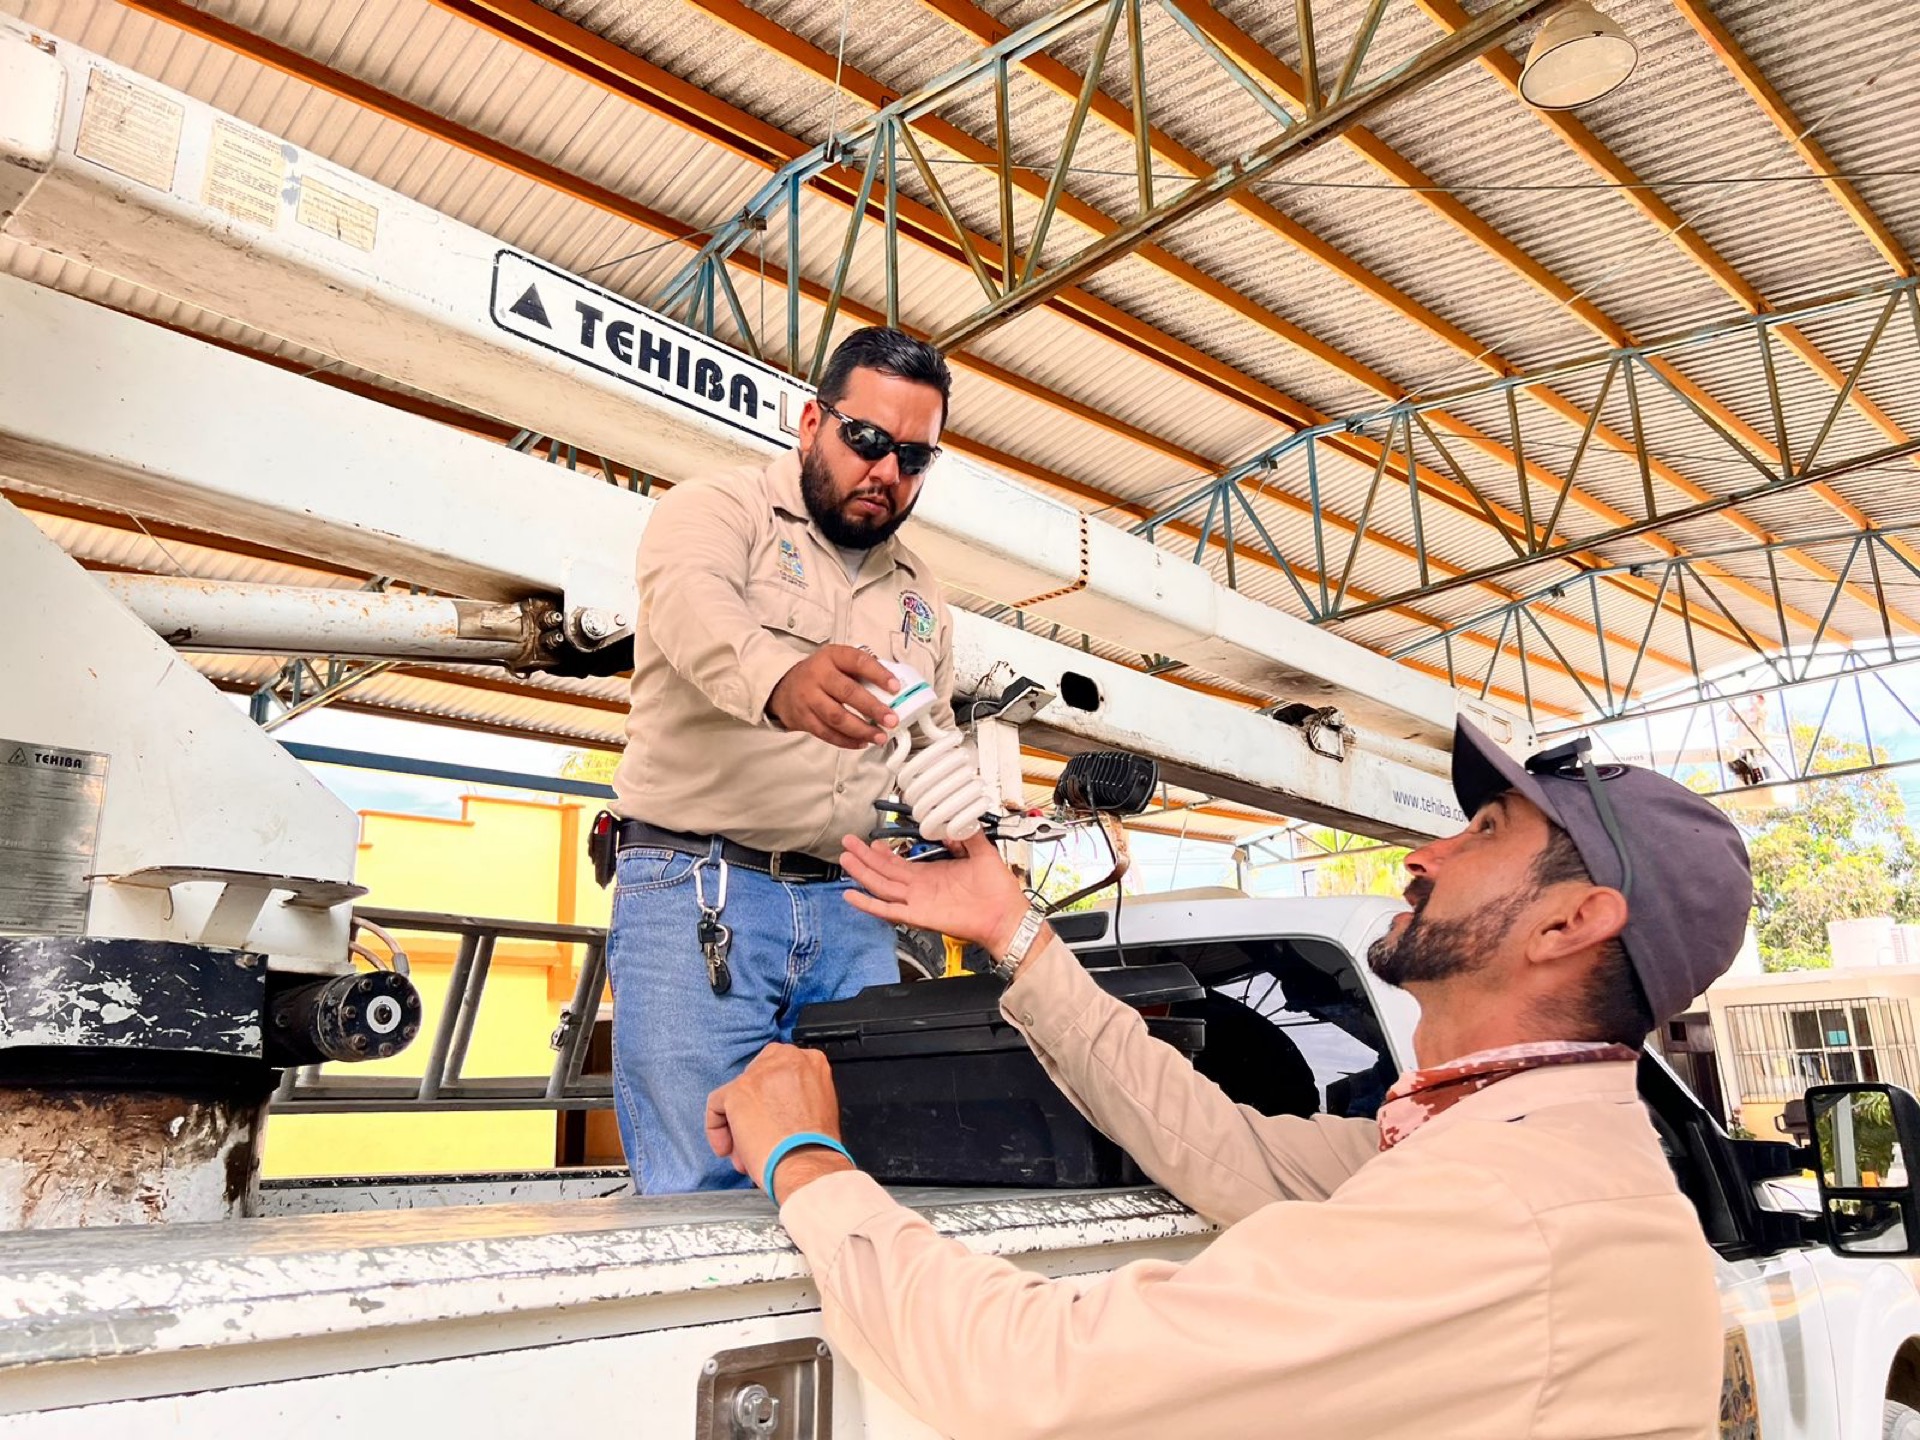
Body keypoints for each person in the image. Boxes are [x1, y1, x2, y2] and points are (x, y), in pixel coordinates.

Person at [703, 720, 1753, 1439]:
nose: (1422, 856)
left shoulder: (1504, 1207)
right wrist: (1013, 932)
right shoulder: (1508, 1151)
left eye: (1486, 833)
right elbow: (1224, 1146)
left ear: (1572, 923)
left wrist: (808, 1162)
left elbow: (1043, 1382)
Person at [605, 326, 958, 1194]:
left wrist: (964, 820)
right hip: (702, 892)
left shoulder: (922, 595)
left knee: (857, 1166)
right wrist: (779, 678)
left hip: (851, 909)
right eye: (867, 441)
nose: (886, 472)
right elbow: (693, 608)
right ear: (811, 422)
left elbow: (932, 735)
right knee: (703, 1176)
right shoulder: (716, 511)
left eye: (913, 457)